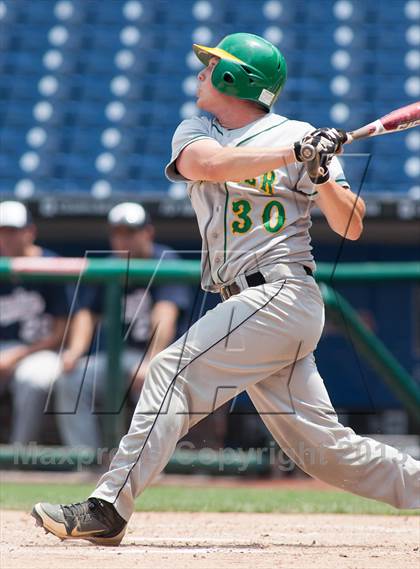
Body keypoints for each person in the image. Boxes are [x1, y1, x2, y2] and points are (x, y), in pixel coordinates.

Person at [32, 33, 420, 545]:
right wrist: (294, 152)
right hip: (245, 302)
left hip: (283, 294)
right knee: (325, 454)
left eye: (212, 65)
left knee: (171, 371)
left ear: (236, 79)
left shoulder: (302, 137)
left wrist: (321, 170)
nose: (202, 73)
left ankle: (108, 507)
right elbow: (210, 166)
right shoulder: (197, 130)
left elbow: (350, 226)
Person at [54, 201, 191, 449]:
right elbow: (87, 314)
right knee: (71, 379)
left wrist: (152, 360)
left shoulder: (165, 259)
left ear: (147, 232)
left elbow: (165, 315)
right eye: (117, 233)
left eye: (130, 233)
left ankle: (147, 464)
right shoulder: (109, 265)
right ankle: (87, 460)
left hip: (165, 357)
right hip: (118, 359)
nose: (123, 240)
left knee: (154, 384)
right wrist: (75, 351)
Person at [0, 201, 68, 444]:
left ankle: (18, 457)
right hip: (4, 350)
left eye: (12, 231)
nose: (5, 238)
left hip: (39, 350)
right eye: (1, 231)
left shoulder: (51, 265)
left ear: (30, 232)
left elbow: (60, 334)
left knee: (33, 381)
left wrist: (18, 354)